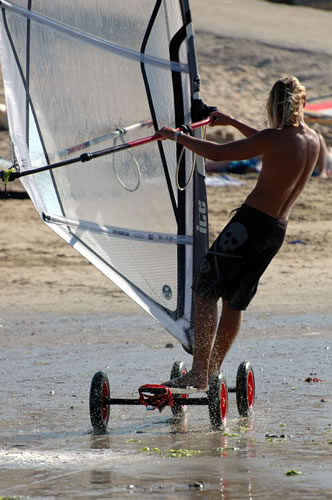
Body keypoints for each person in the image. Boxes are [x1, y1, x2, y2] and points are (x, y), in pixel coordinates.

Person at [157, 76, 320, 390]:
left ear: (273, 105)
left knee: (205, 288)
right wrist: (232, 121)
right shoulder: (312, 140)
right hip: (275, 232)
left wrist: (178, 138)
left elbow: (219, 154)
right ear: (301, 102)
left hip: (249, 226)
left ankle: (198, 373)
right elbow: (267, 143)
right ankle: (212, 370)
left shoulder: (274, 139)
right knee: (235, 300)